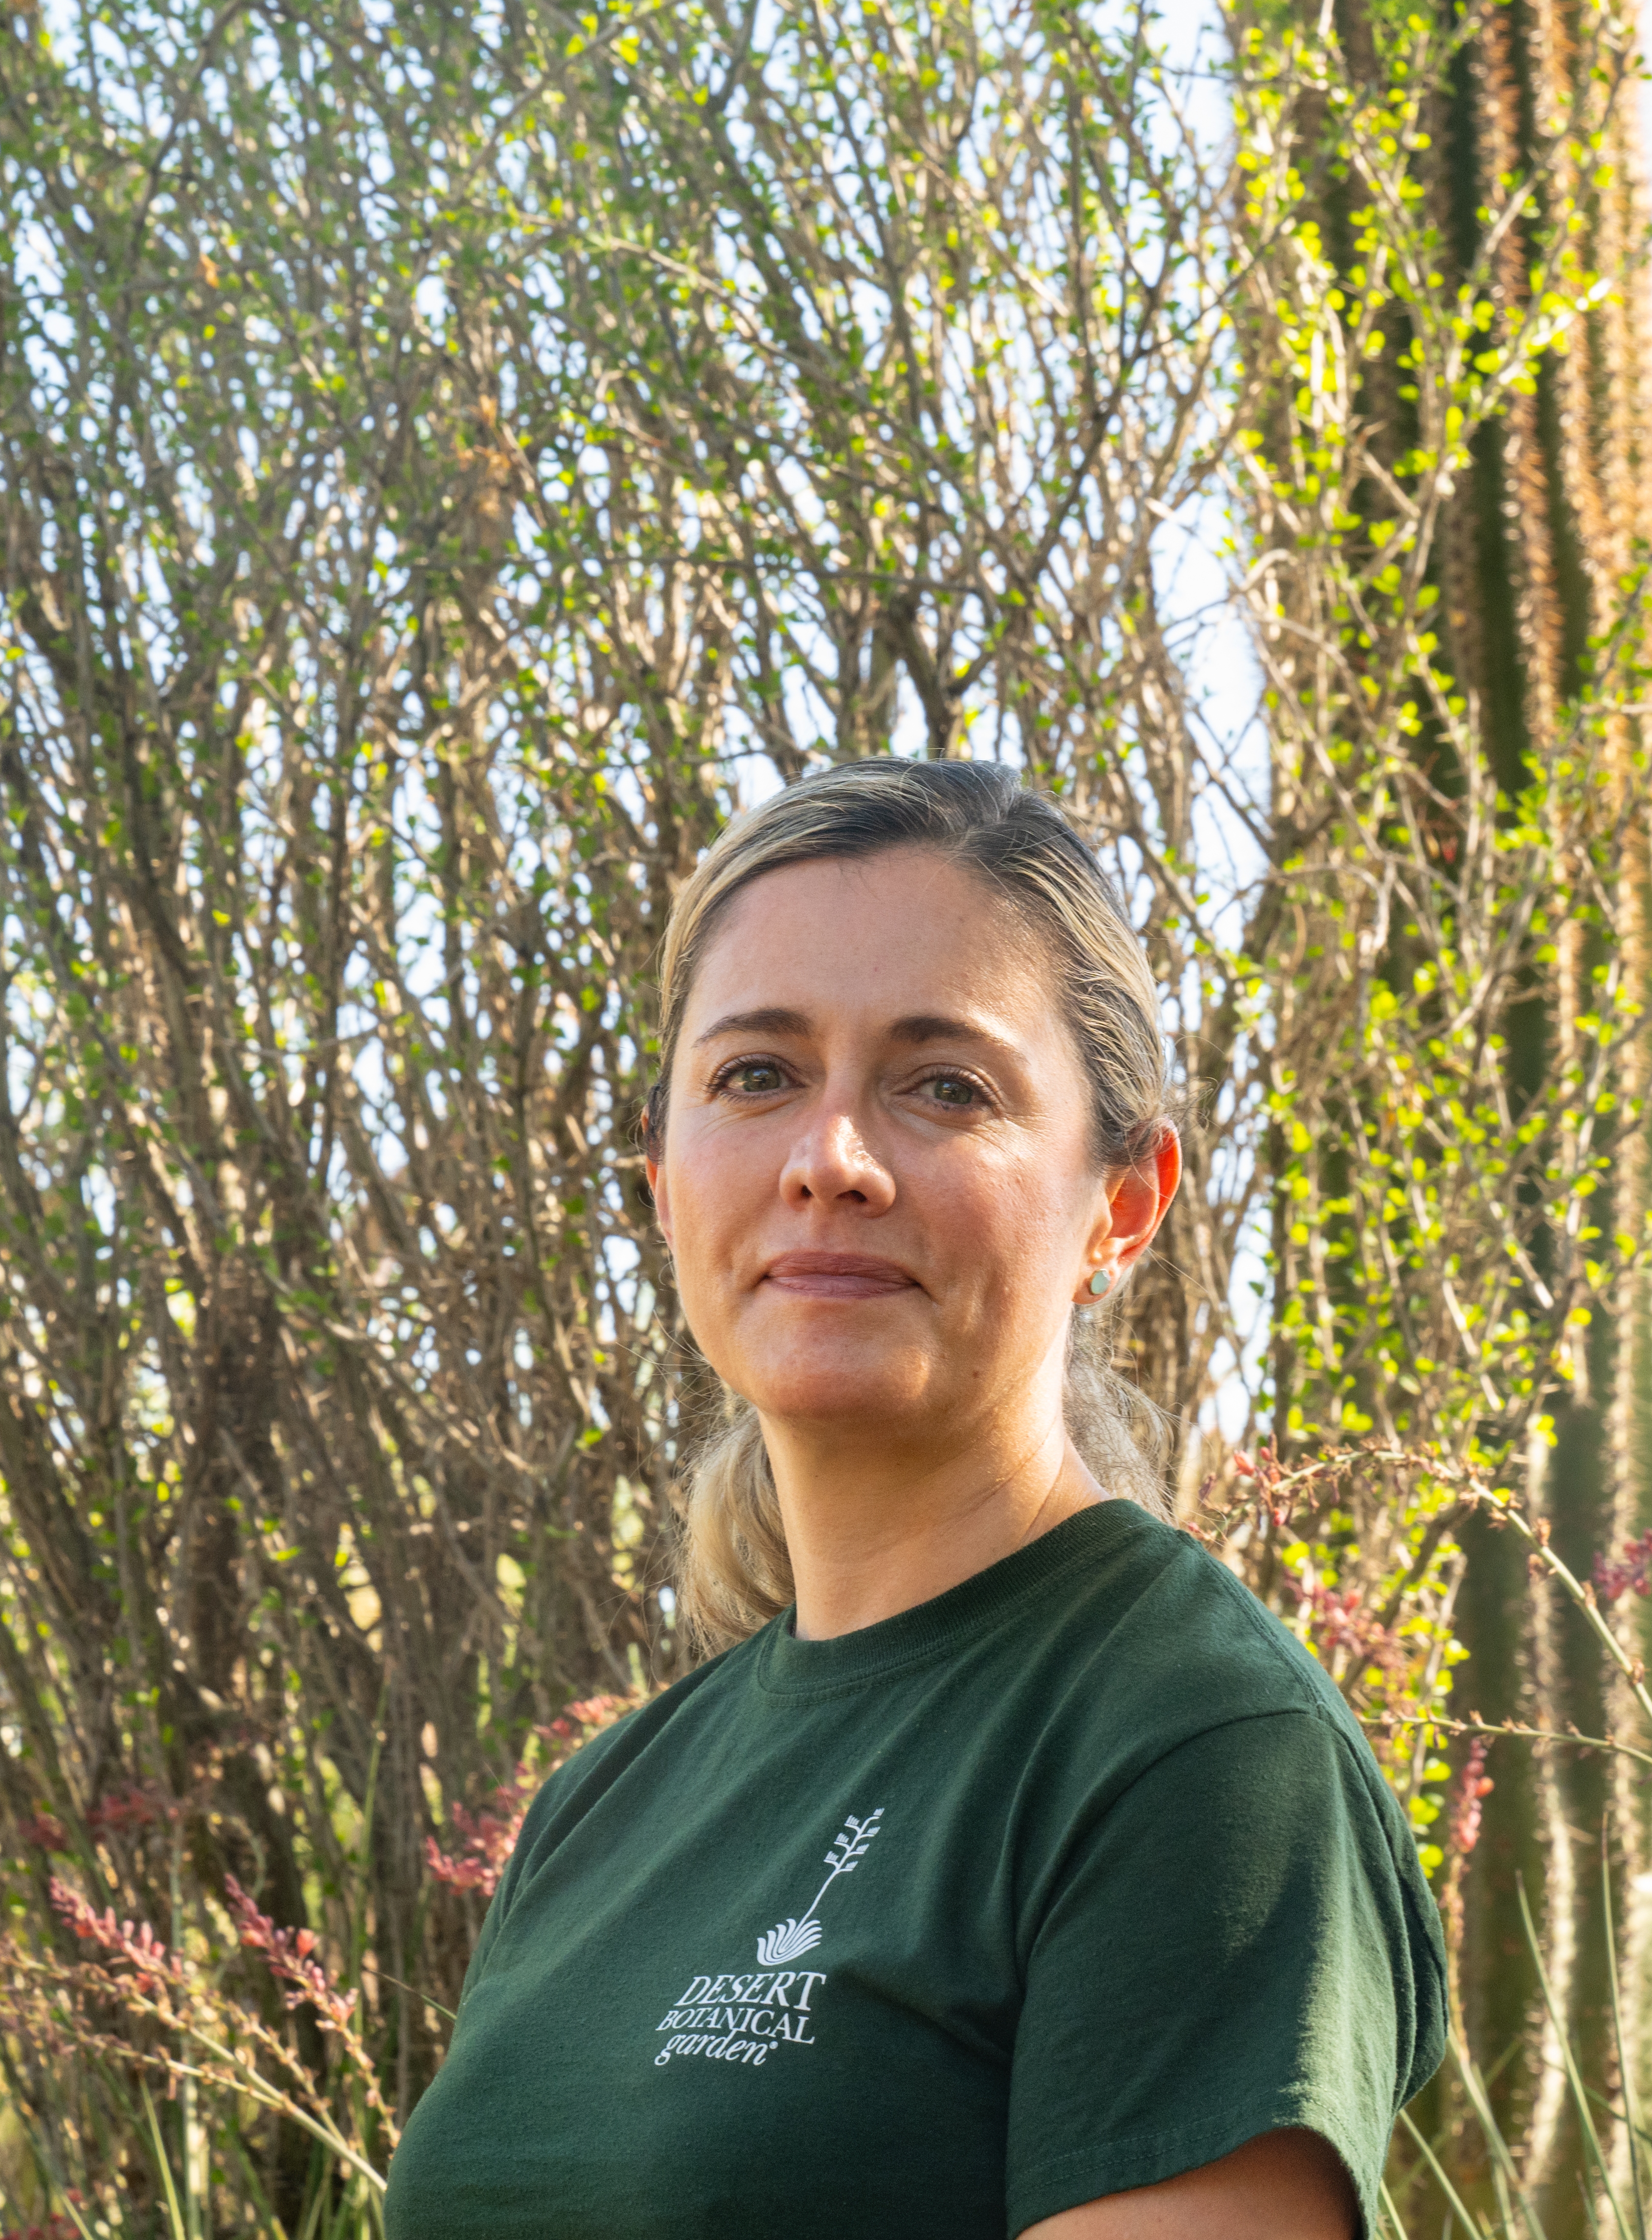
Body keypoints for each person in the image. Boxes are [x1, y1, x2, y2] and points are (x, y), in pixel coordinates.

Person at [384, 758, 1448, 2239]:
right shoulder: (602, 1807)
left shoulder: (1195, 1751)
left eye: (944, 1086)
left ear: (1122, 1204)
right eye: (755, 1075)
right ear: (662, 1181)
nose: (830, 1160)